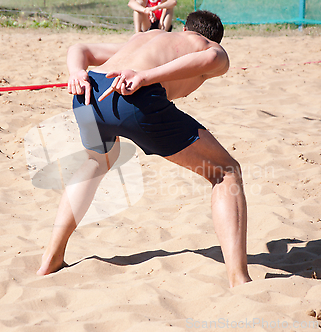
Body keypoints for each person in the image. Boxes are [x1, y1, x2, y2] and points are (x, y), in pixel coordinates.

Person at [37, 11, 252, 288]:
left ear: (182, 27)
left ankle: (51, 258)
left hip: (88, 93)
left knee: (96, 162)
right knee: (226, 171)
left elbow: (80, 49)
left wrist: (76, 72)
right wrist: (145, 76)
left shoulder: (150, 36)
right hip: (133, 98)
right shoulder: (208, 46)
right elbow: (214, 58)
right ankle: (239, 278)